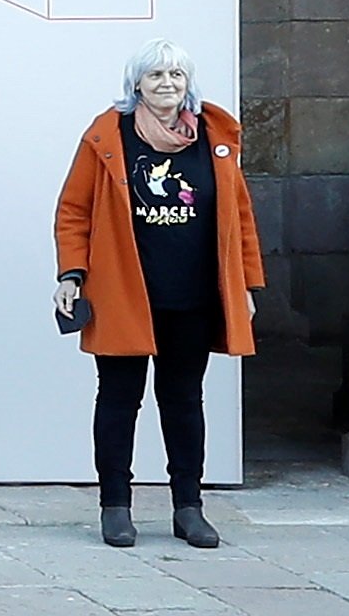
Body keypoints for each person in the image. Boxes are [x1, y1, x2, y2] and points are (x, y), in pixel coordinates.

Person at [51, 38, 263, 549]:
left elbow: (239, 216)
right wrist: (71, 274)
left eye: (176, 75)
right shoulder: (109, 137)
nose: (167, 84)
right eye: (156, 76)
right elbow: (73, 211)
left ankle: (188, 507)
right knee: (120, 400)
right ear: (137, 85)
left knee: (184, 400)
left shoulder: (213, 136)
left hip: (192, 296)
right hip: (124, 292)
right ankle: (115, 507)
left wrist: (248, 285)